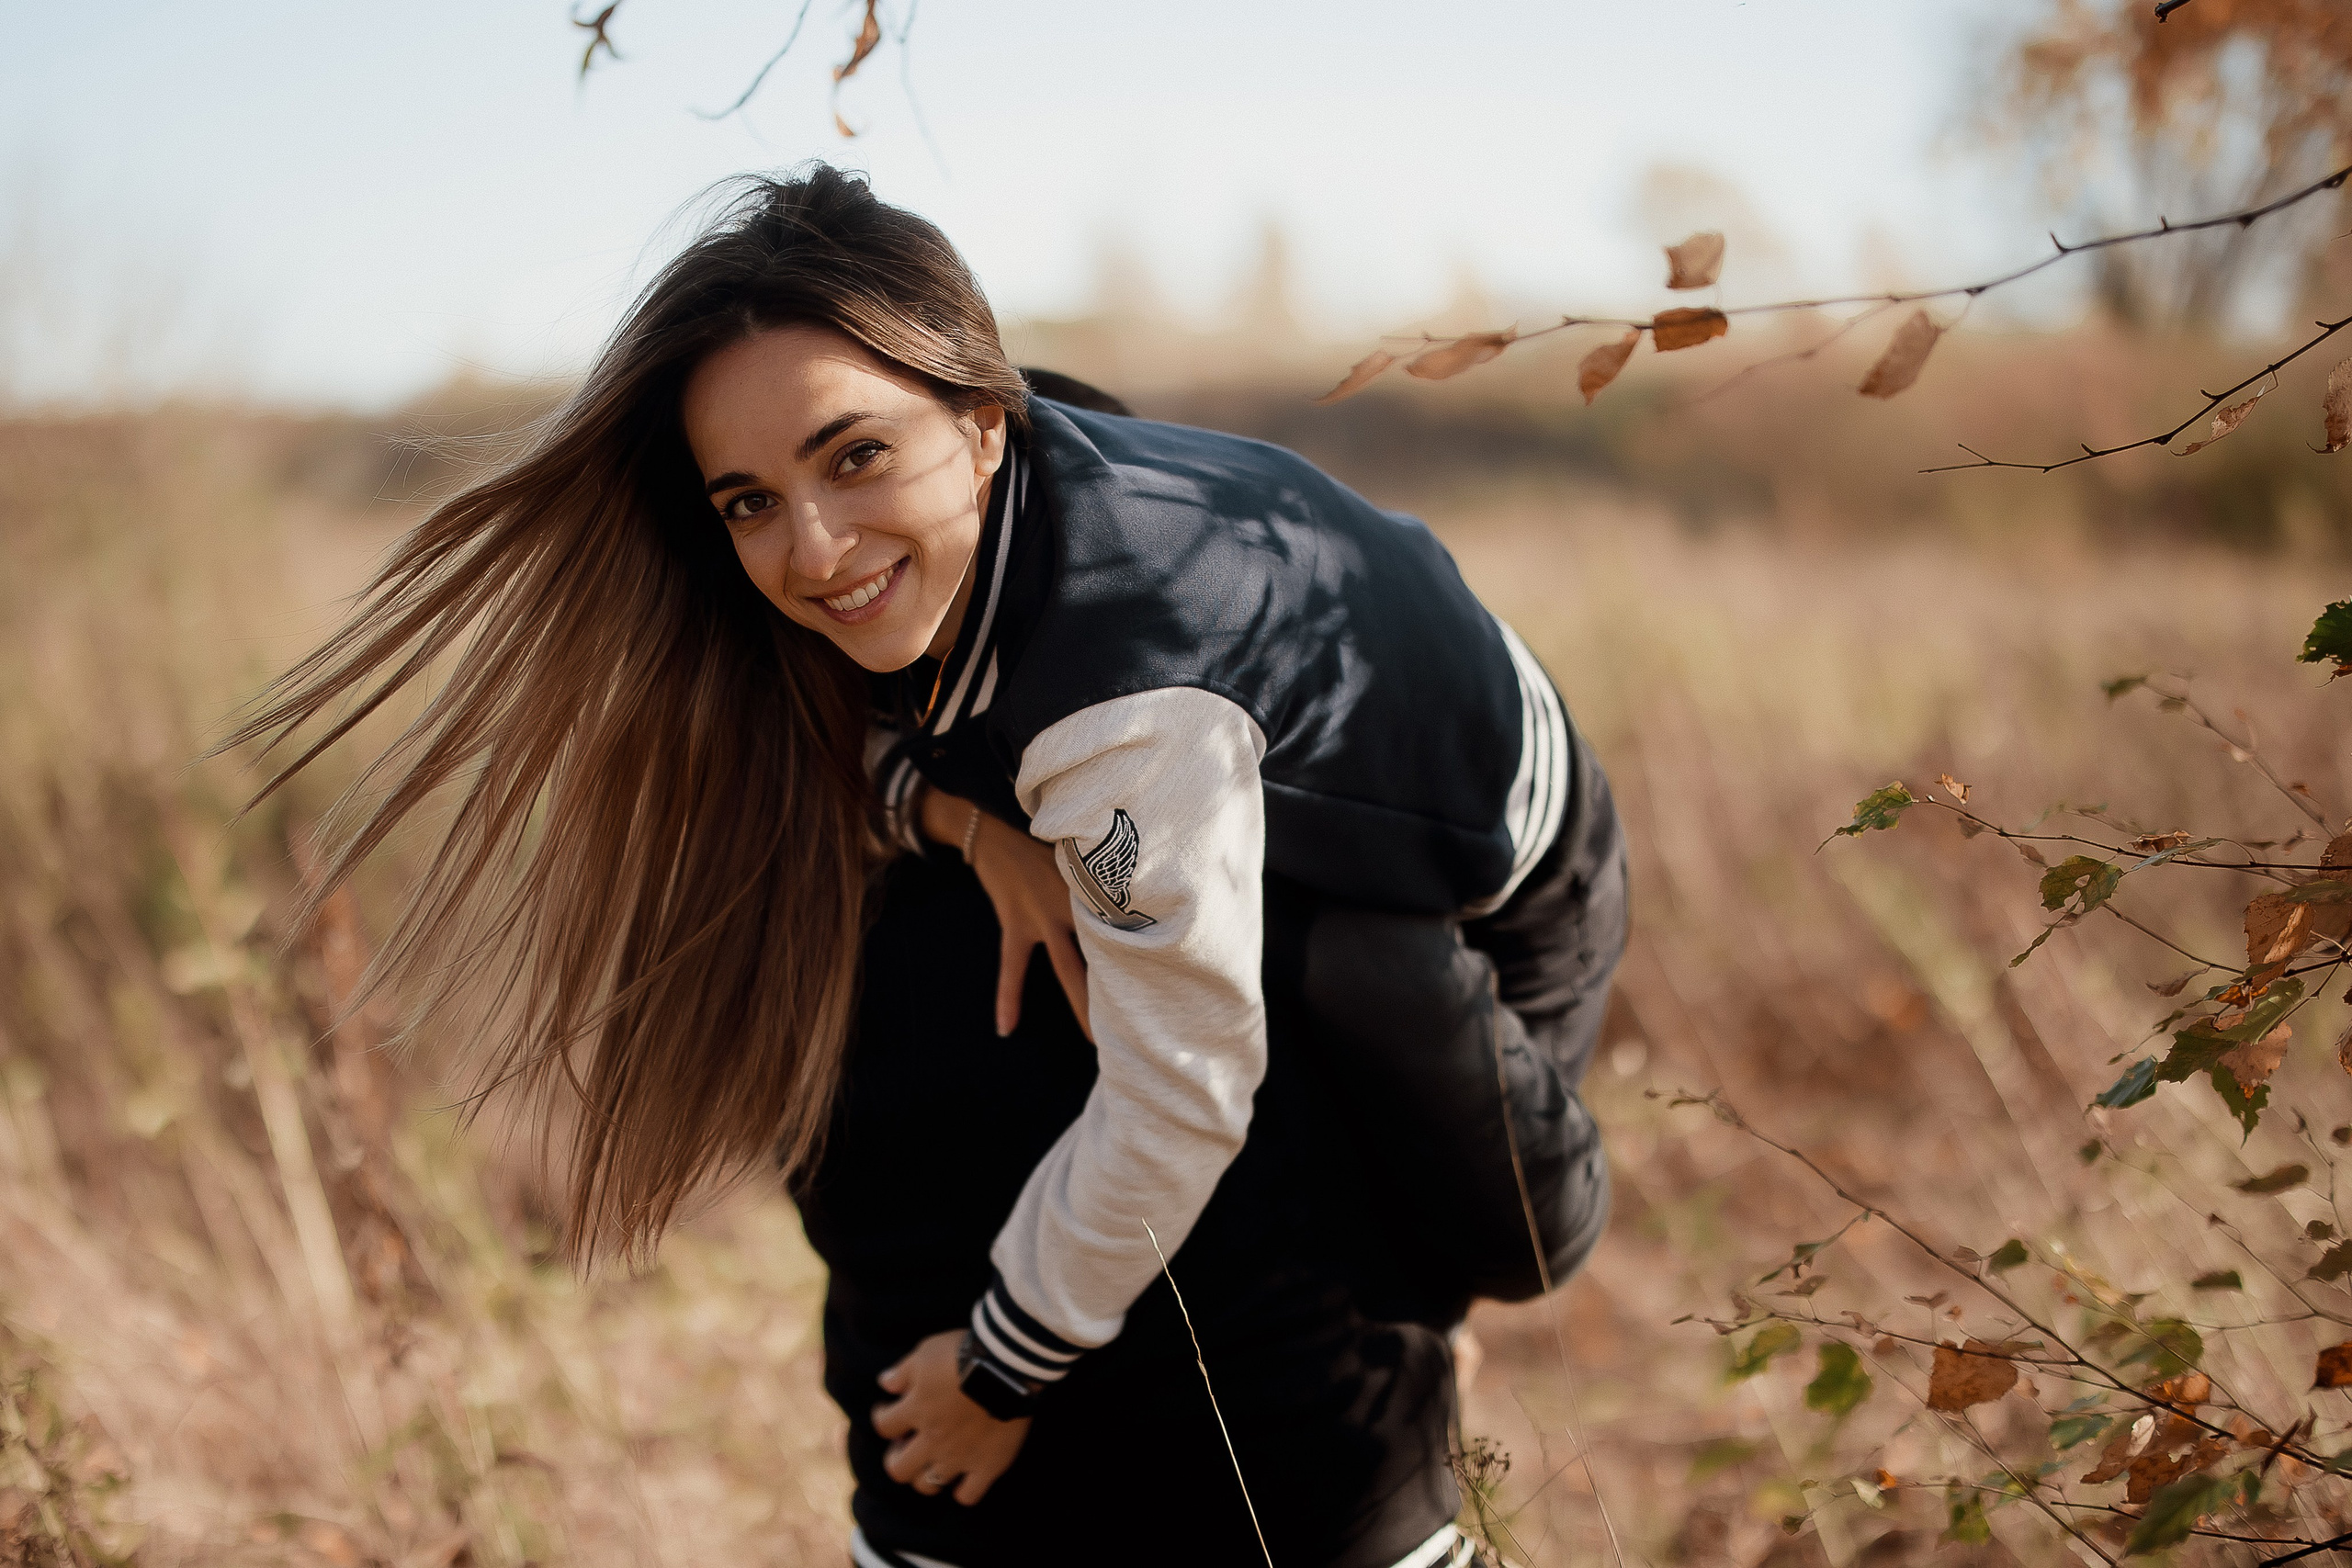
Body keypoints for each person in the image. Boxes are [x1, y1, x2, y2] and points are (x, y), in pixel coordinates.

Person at [234, 164, 1626, 1568]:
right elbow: (863, 764)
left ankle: (1465, 1280)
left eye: (854, 457)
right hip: (1228, 757)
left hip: (1482, 870)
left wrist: (997, 1372)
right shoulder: (960, 570)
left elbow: (1182, 1093)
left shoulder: (1131, 701)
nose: (815, 551)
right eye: (749, 502)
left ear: (982, 420)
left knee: (1433, 1128)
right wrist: (970, 825)